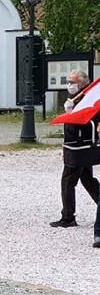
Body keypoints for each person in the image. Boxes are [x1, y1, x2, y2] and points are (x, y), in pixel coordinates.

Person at [50, 70, 100, 228]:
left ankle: (68, 217)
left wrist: (72, 111)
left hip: (80, 146)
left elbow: (84, 119)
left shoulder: (87, 99)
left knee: (68, 181)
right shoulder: (75, 98)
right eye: (69, 81)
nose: (70, 85)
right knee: (87, 180)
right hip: (76, 145)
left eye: (73, 82)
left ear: (84, 84)